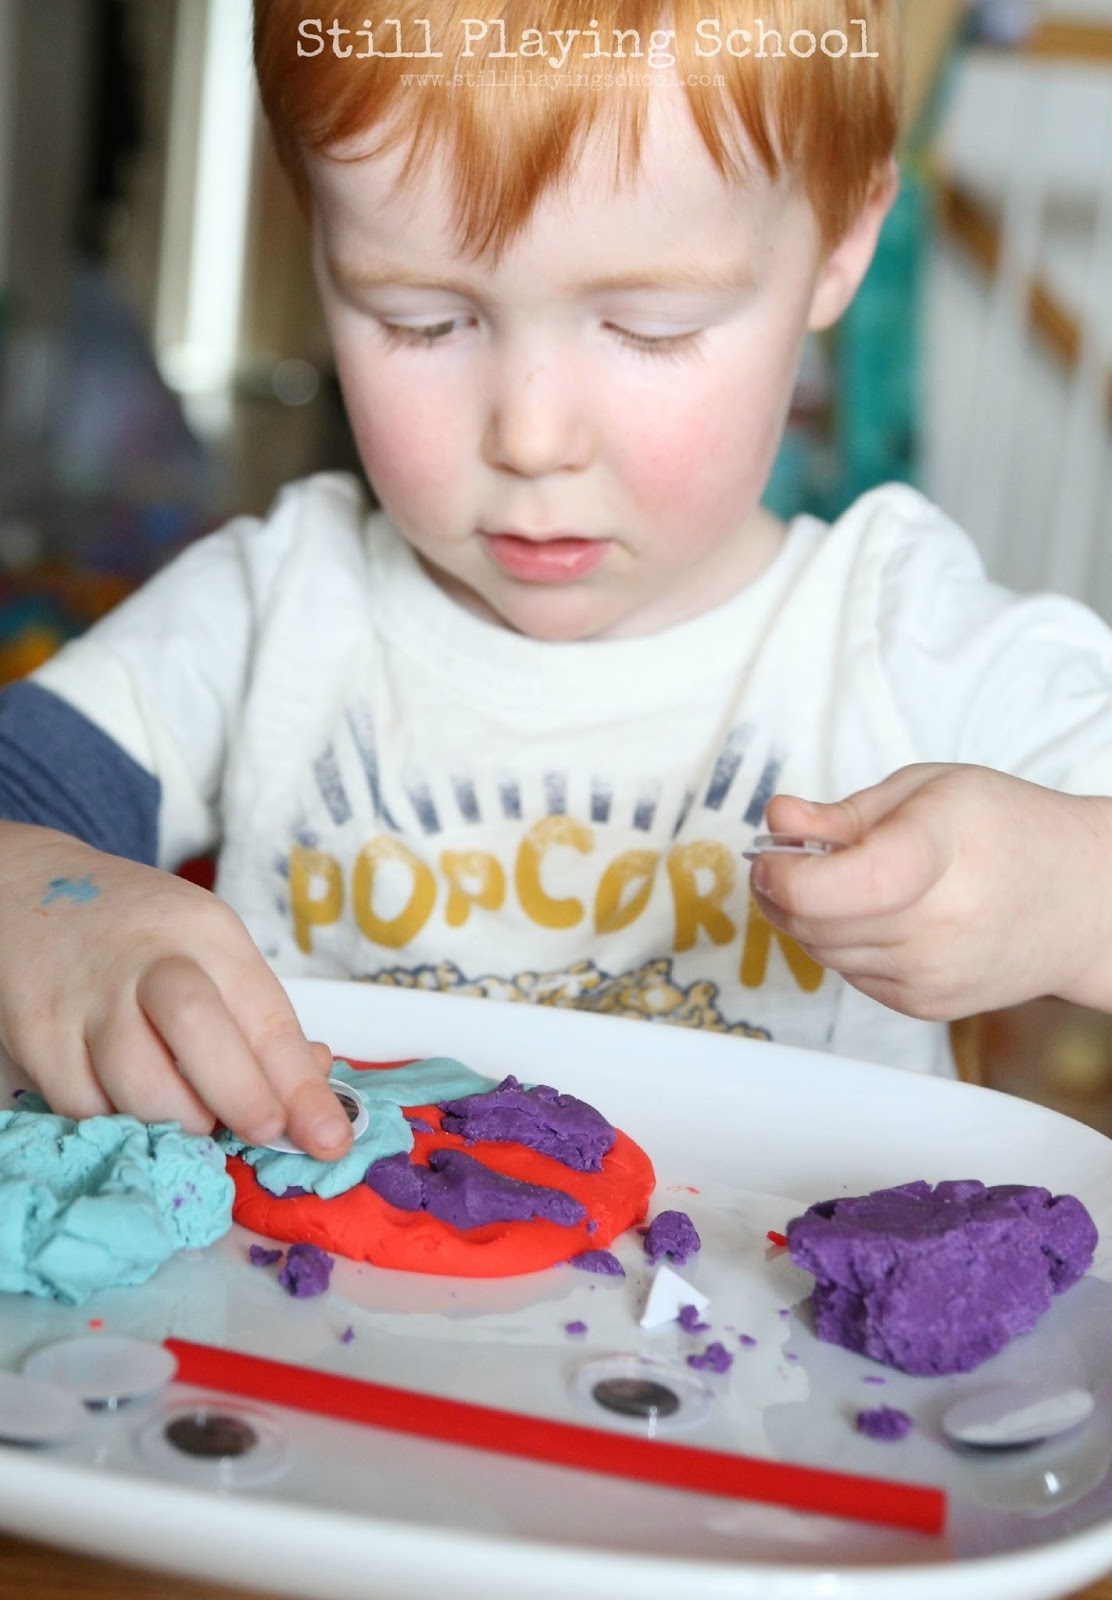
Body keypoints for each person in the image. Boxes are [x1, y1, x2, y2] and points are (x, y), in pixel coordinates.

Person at [3, 0, 1111, 1165]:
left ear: (838, 245)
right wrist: (39, 896)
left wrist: (1065, 896)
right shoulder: (272, 607)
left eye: (648, 327)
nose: (531, 438)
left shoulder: (903, 638)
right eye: (421, 320)